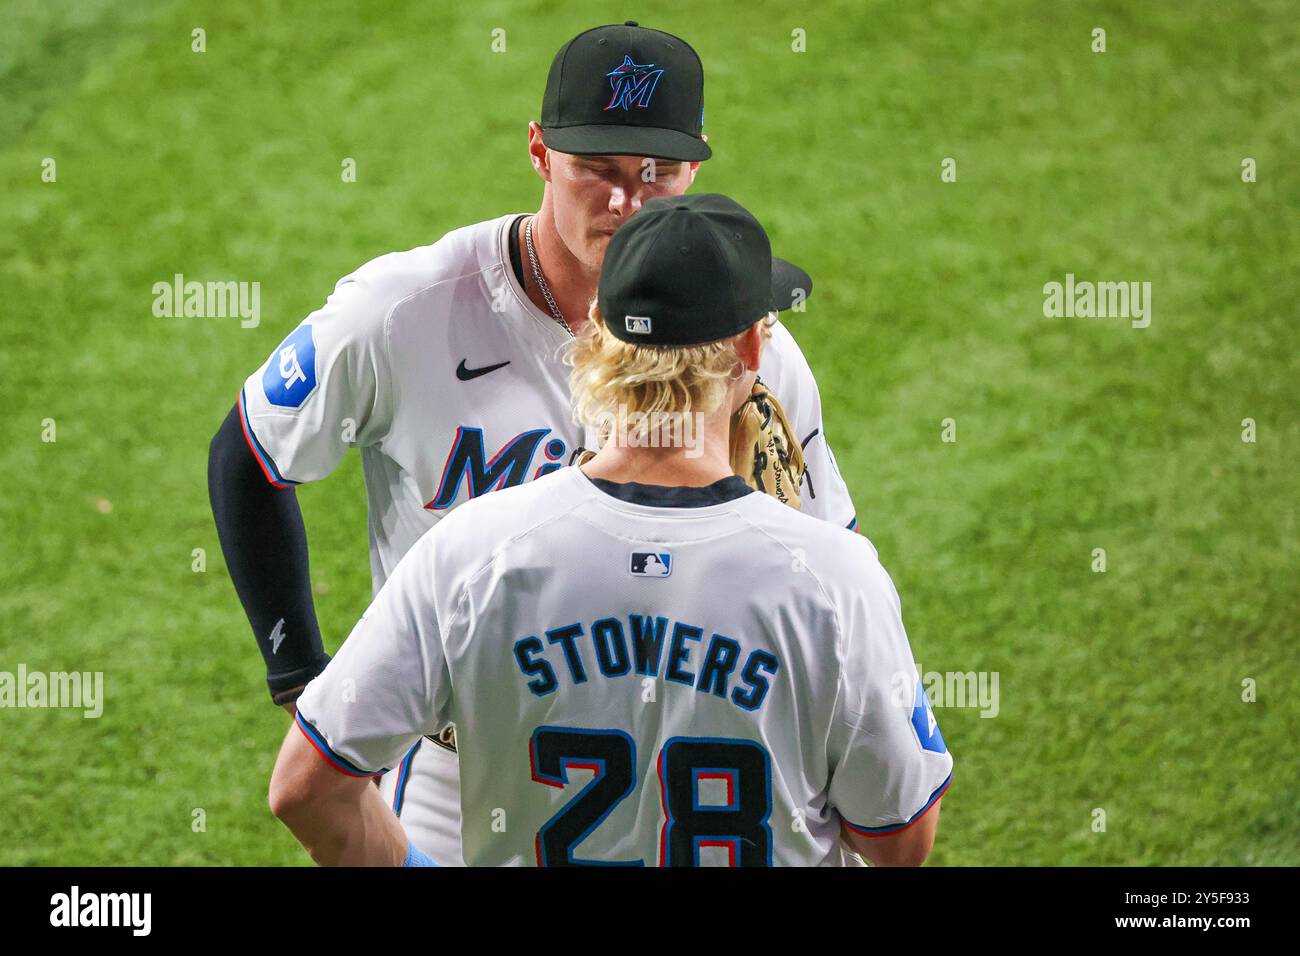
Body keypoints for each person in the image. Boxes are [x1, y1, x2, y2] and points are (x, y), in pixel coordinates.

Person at [210, 21, 857, 866]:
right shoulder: (404, 312)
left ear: (696, 165)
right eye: (597, 169)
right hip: (455, 770)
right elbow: (250, 453)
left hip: (679, 758)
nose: (625, 202)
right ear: (539, 152)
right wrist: (298, 672)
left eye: (654, 173)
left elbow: (829, 563)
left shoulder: (746, 347)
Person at [268, 194, 952, 867]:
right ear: (750, 346)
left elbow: (307, 790)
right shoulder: (836, 578)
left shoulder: (468, 554)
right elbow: (899, 839)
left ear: (598, 327)